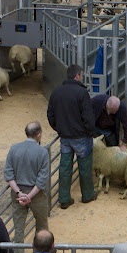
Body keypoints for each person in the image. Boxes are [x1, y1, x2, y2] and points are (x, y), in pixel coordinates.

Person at [46, 64, 98, 209]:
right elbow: (88, 117)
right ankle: (87, 195)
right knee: (85, 167)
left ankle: (64, 198)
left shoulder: (56, 91)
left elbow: (50, 114)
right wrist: (90, 131)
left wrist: (58, 128)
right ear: (77, 76)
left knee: (65, 168)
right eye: (81, 75)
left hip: (65, 137)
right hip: (81, 136)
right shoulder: (82, 93)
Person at [5, 122, 50, 248]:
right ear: (38, 135)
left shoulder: (14, 148)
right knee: (41, 224)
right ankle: (41, 252)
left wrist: (19, 193)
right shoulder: (42, 152)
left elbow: (8, 174)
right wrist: (29, 196)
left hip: (17, 193)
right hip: (36, 194)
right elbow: (42, 179)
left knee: (18, 228)